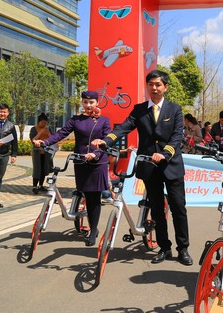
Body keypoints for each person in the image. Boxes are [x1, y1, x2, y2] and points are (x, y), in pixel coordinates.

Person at [92, 70, 193, 266]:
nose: (154, 88)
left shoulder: (174, 109)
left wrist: (165, 153)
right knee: (156, 210)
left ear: (165, 87)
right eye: (151, 84)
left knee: (178, 208)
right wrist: (106, 141)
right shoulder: (139, 110)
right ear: (146, 86)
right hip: (149, 166)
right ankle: (164, 248)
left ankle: (183, 249)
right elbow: (123, 127)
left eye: (158, 84)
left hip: (171, 166)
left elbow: (177, 137)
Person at [34, 91, 110, 246]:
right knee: (85, 193)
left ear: (97, 102)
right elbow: (61, 133)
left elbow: (107, 141)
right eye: (85, 102)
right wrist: (45, 142)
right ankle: (82, 216)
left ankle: (93, 229)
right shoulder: (76, 120)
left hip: (97, 163)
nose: (88, 105)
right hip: (81, 161)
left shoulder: (104, 120)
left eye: (91, 102)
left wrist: (95, 153)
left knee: (94, 197)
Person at [29, 113, 55, 194]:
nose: (44, 124)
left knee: (44, 169)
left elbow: (53, 139)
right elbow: (33, 139)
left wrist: (47, 133)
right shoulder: (34, 129)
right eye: (42, 123)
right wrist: (40, 132)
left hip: (46, 152)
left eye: (45, 123)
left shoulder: (48, 128)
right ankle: (34, 186)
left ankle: (41, 185)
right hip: (37, 152)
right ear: (39, 122)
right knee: (37, 169)